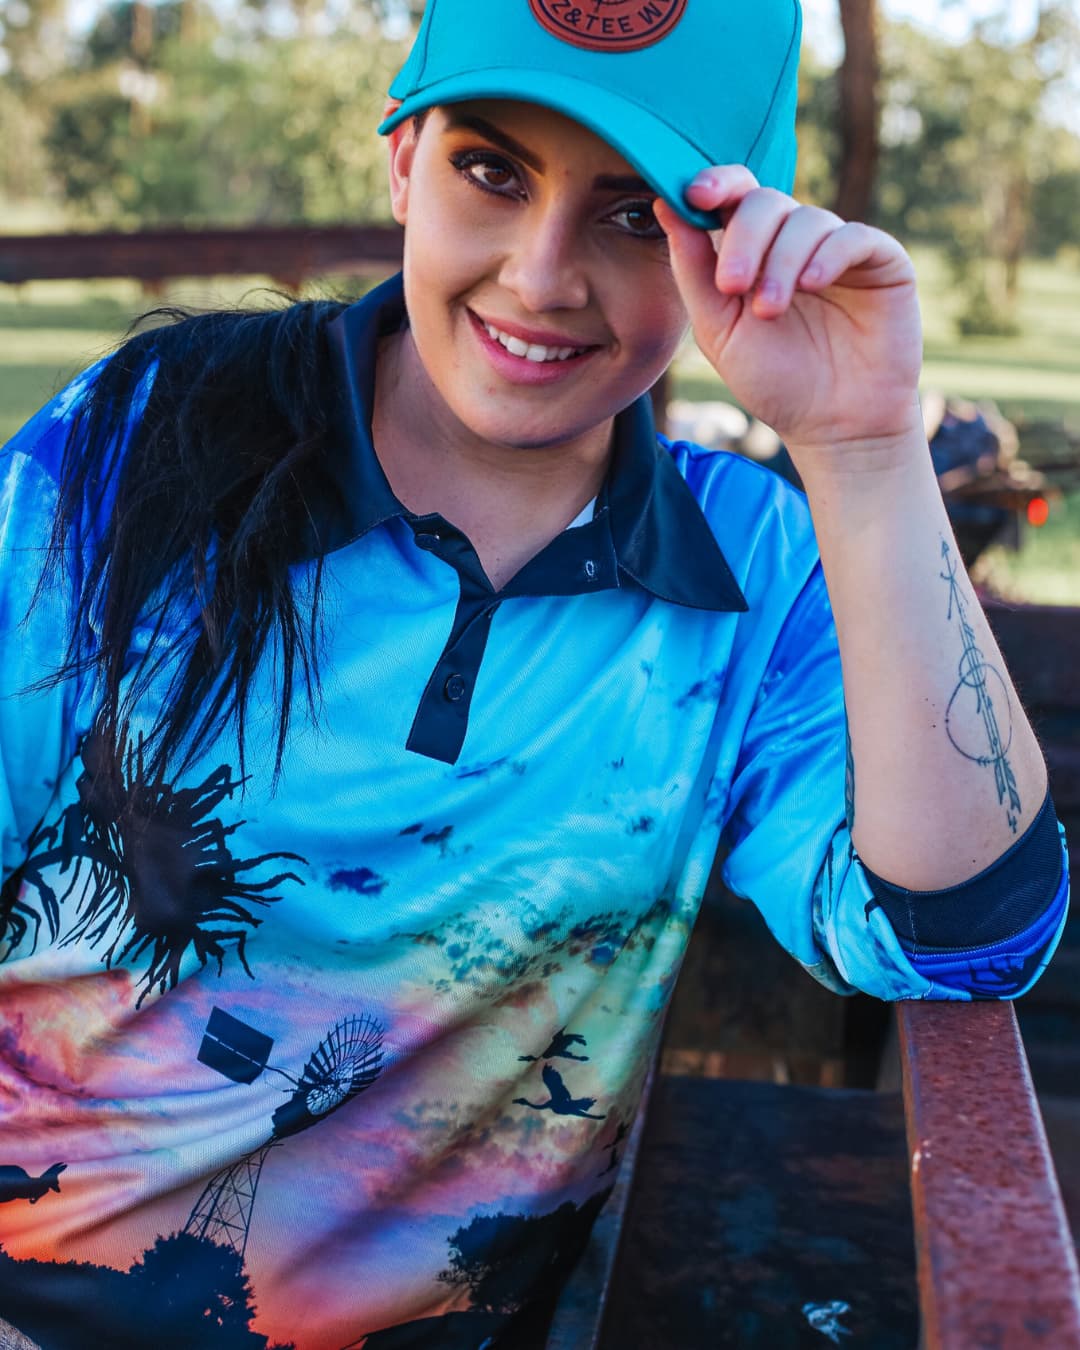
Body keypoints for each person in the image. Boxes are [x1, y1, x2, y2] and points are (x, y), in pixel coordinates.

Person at [0, 0, 1068, 1346]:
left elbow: (966, 935)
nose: (543, 276)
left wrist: (864, 451)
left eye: (636, 217)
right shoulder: (141, 441)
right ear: (405, 161)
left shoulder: (753, 570)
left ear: (738, 251)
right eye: (491, 171)